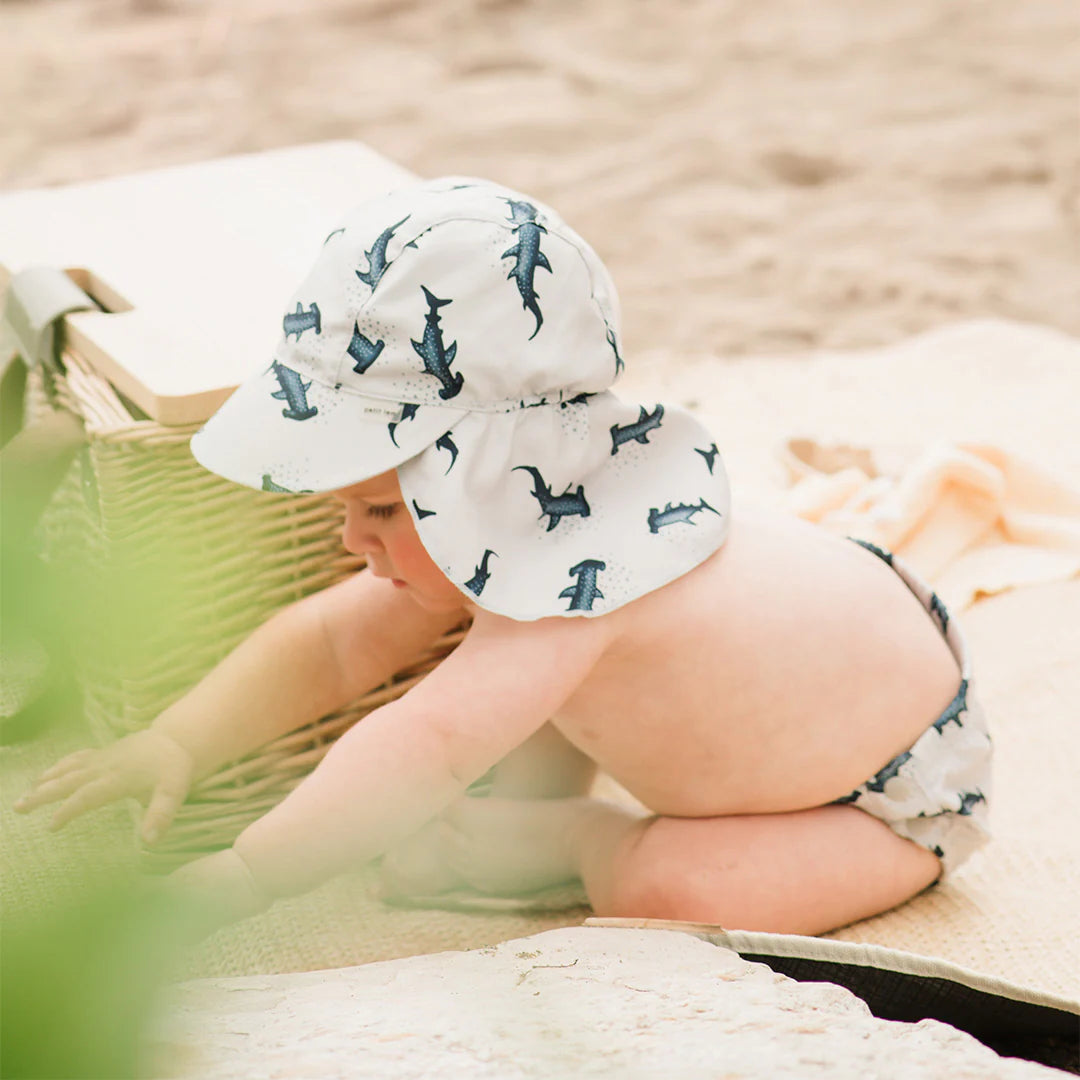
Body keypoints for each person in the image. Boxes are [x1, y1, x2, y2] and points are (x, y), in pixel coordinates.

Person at [14, 177, 992, 938]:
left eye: (383, 510)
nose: (353, 541)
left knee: (668, 887)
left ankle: (574, 843)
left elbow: (424, 745)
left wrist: (247, 875)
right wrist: (180, 741)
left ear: (484, 479)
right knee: (506, 703)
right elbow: (330, 647)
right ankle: (526, 834)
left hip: (886, 794)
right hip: (816, 672)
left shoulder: (579, 596)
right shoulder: (524, 534)